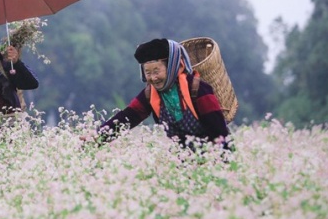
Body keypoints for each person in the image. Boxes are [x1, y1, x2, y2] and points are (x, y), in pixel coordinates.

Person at [83, 38, 230, 149]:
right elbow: (127, 117)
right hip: (182, 162)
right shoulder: (150, 94)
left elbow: (219, 131)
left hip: (211, 158)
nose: (153, 78)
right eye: (148, 72)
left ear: (171, 66)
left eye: (156, 71)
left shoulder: (198, 89)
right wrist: (97, 137)